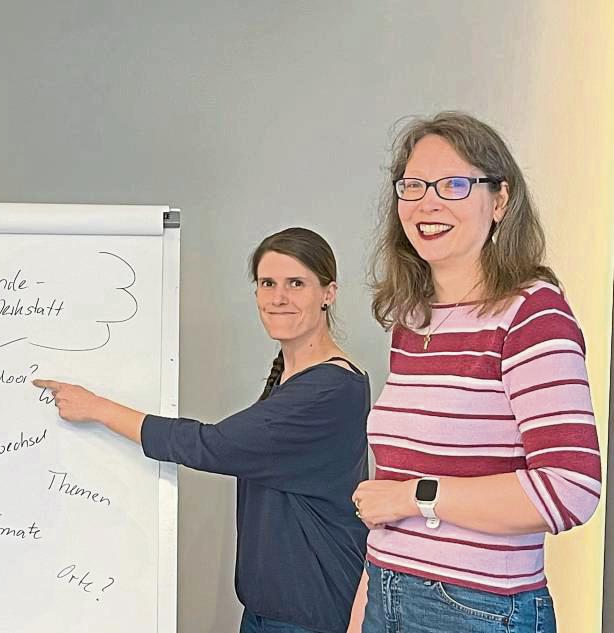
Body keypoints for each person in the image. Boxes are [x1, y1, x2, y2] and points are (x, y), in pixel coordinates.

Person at [35, 227, 370, 633]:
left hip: (310, 612)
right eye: (268, 283)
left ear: (328, 293)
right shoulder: (290, 379)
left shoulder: (331, 389)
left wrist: (98, 408)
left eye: (295, 283)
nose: (279, 297)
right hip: (271, 610)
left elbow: (213, 445)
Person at [350, 112, 600, 633]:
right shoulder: (413, 316)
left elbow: (570, 488)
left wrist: (418, 495)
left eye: (455, 184)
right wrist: (363, 609)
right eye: (412, 186)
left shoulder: (531, 313)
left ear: (500, 200)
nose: (427, 202)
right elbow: (387, 497)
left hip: (480, 609)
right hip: (387, 590)